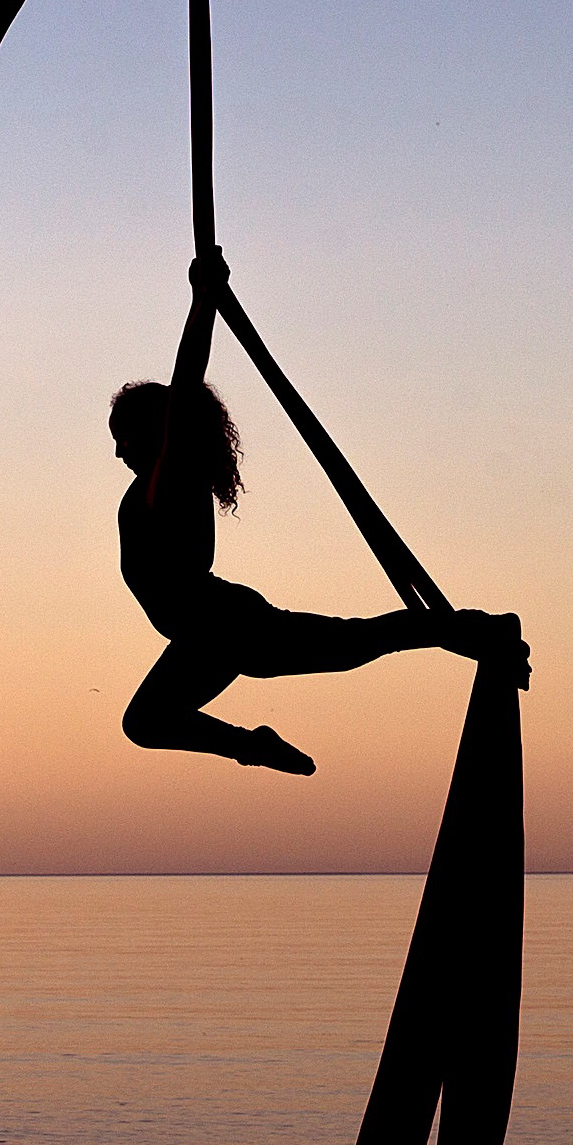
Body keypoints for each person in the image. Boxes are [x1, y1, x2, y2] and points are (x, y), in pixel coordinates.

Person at [114, 252, 525, 775]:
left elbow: (186, 387)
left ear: (151, 431)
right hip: (223, 628)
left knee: (148, 720)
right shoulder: (169, 482)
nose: (117, 452)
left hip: (216, 628)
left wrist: (202, 302)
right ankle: (480, 630)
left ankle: (478, 631)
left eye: (121, 437)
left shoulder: (169, 479)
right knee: (358, 642)